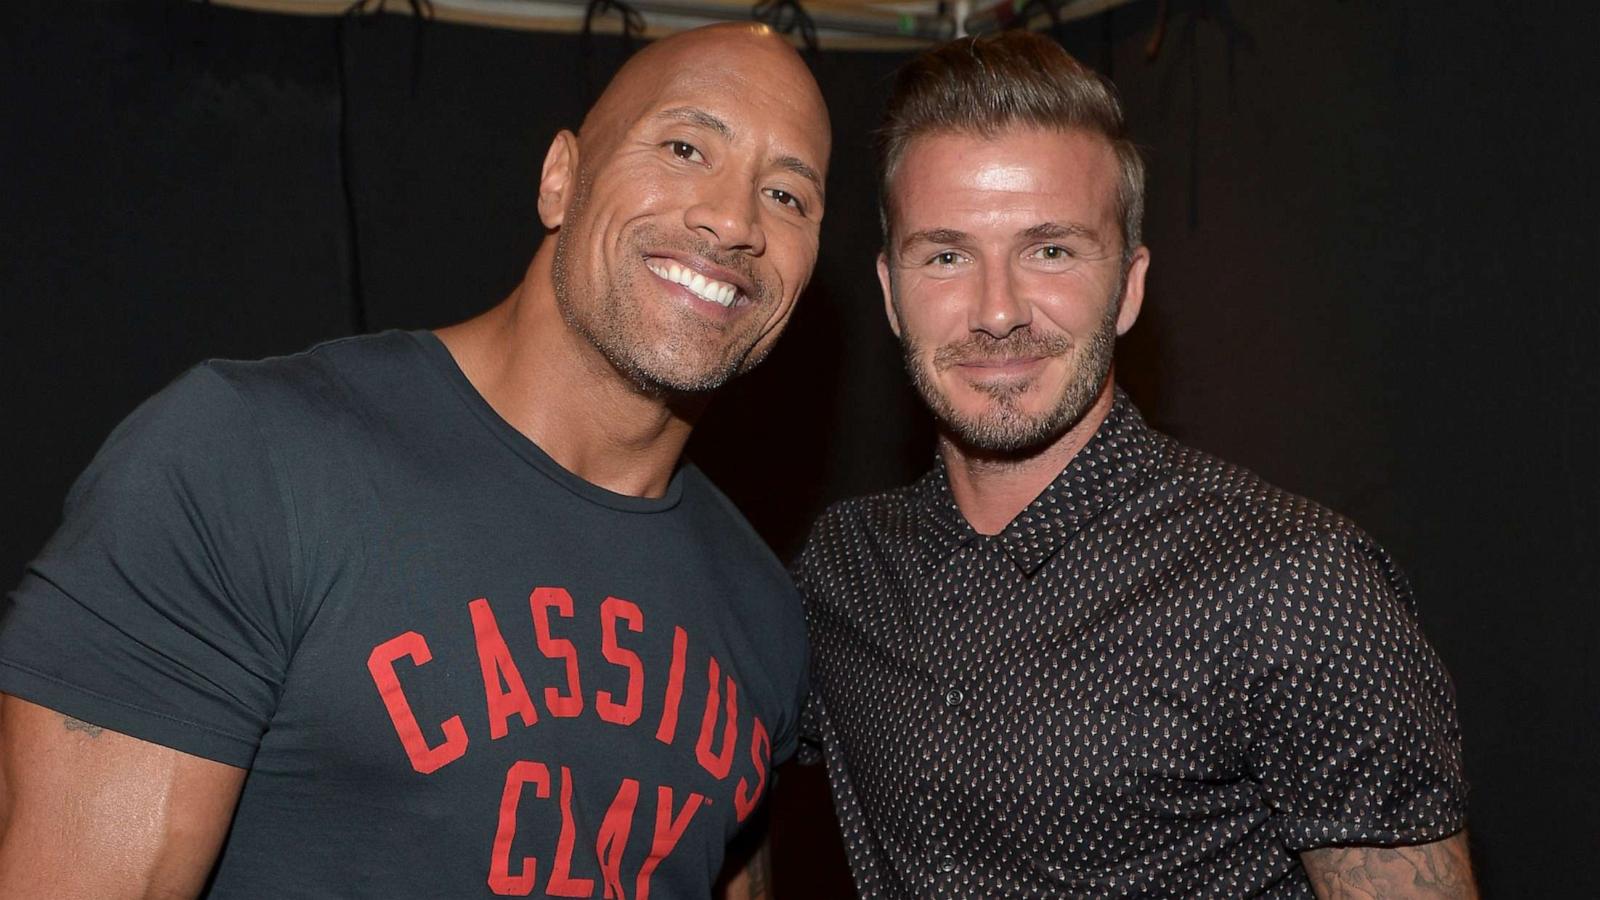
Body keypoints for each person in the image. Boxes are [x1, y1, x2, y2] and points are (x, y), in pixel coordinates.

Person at [0, 23, 827, 899]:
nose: (734, 220)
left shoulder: (763, 611)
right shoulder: (246, 462)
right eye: (686, 145)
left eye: (788, 197)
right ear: (561, 177)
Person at [795, 31, 1475, 899]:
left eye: (1051, 250)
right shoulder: (844, 568)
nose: (997, 311)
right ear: (891, 294)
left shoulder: (1293, 584)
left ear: (1131, 285)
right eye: (948, 255)